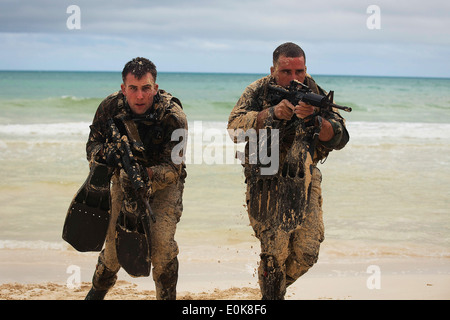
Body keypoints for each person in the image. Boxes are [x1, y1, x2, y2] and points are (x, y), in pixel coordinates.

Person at [227, 42, 349, 299]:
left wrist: (316, 119)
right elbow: (234, 129)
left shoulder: (315, 92)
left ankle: (272, 291)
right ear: (273, 69)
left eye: (299, 71)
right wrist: (271, 113)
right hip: (265, 177)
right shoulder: (258, 90)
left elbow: (340, 137)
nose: (294, 78)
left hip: (304, 175)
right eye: (286, 72)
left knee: (307, 253)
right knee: (274, 253)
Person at [84, 57, 187, 300]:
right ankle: (95, 294)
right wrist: (105, 154)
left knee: (162, 249)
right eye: (133, 89)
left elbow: (173, 169)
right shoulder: (110, 107)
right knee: (112, 253)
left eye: (146, 88)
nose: (140, 96)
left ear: (156, 88)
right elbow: (92, 145)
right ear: (124, 89)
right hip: (123, 180)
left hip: (164, 184)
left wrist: (147, 173)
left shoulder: (173, 116)